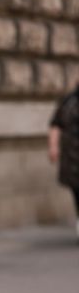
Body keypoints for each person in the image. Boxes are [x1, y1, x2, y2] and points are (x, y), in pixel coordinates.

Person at [48, 85, 79, 240]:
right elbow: (56, 124)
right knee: (76, 190)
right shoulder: (68, 100)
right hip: (71, 157)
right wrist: (53, 147)